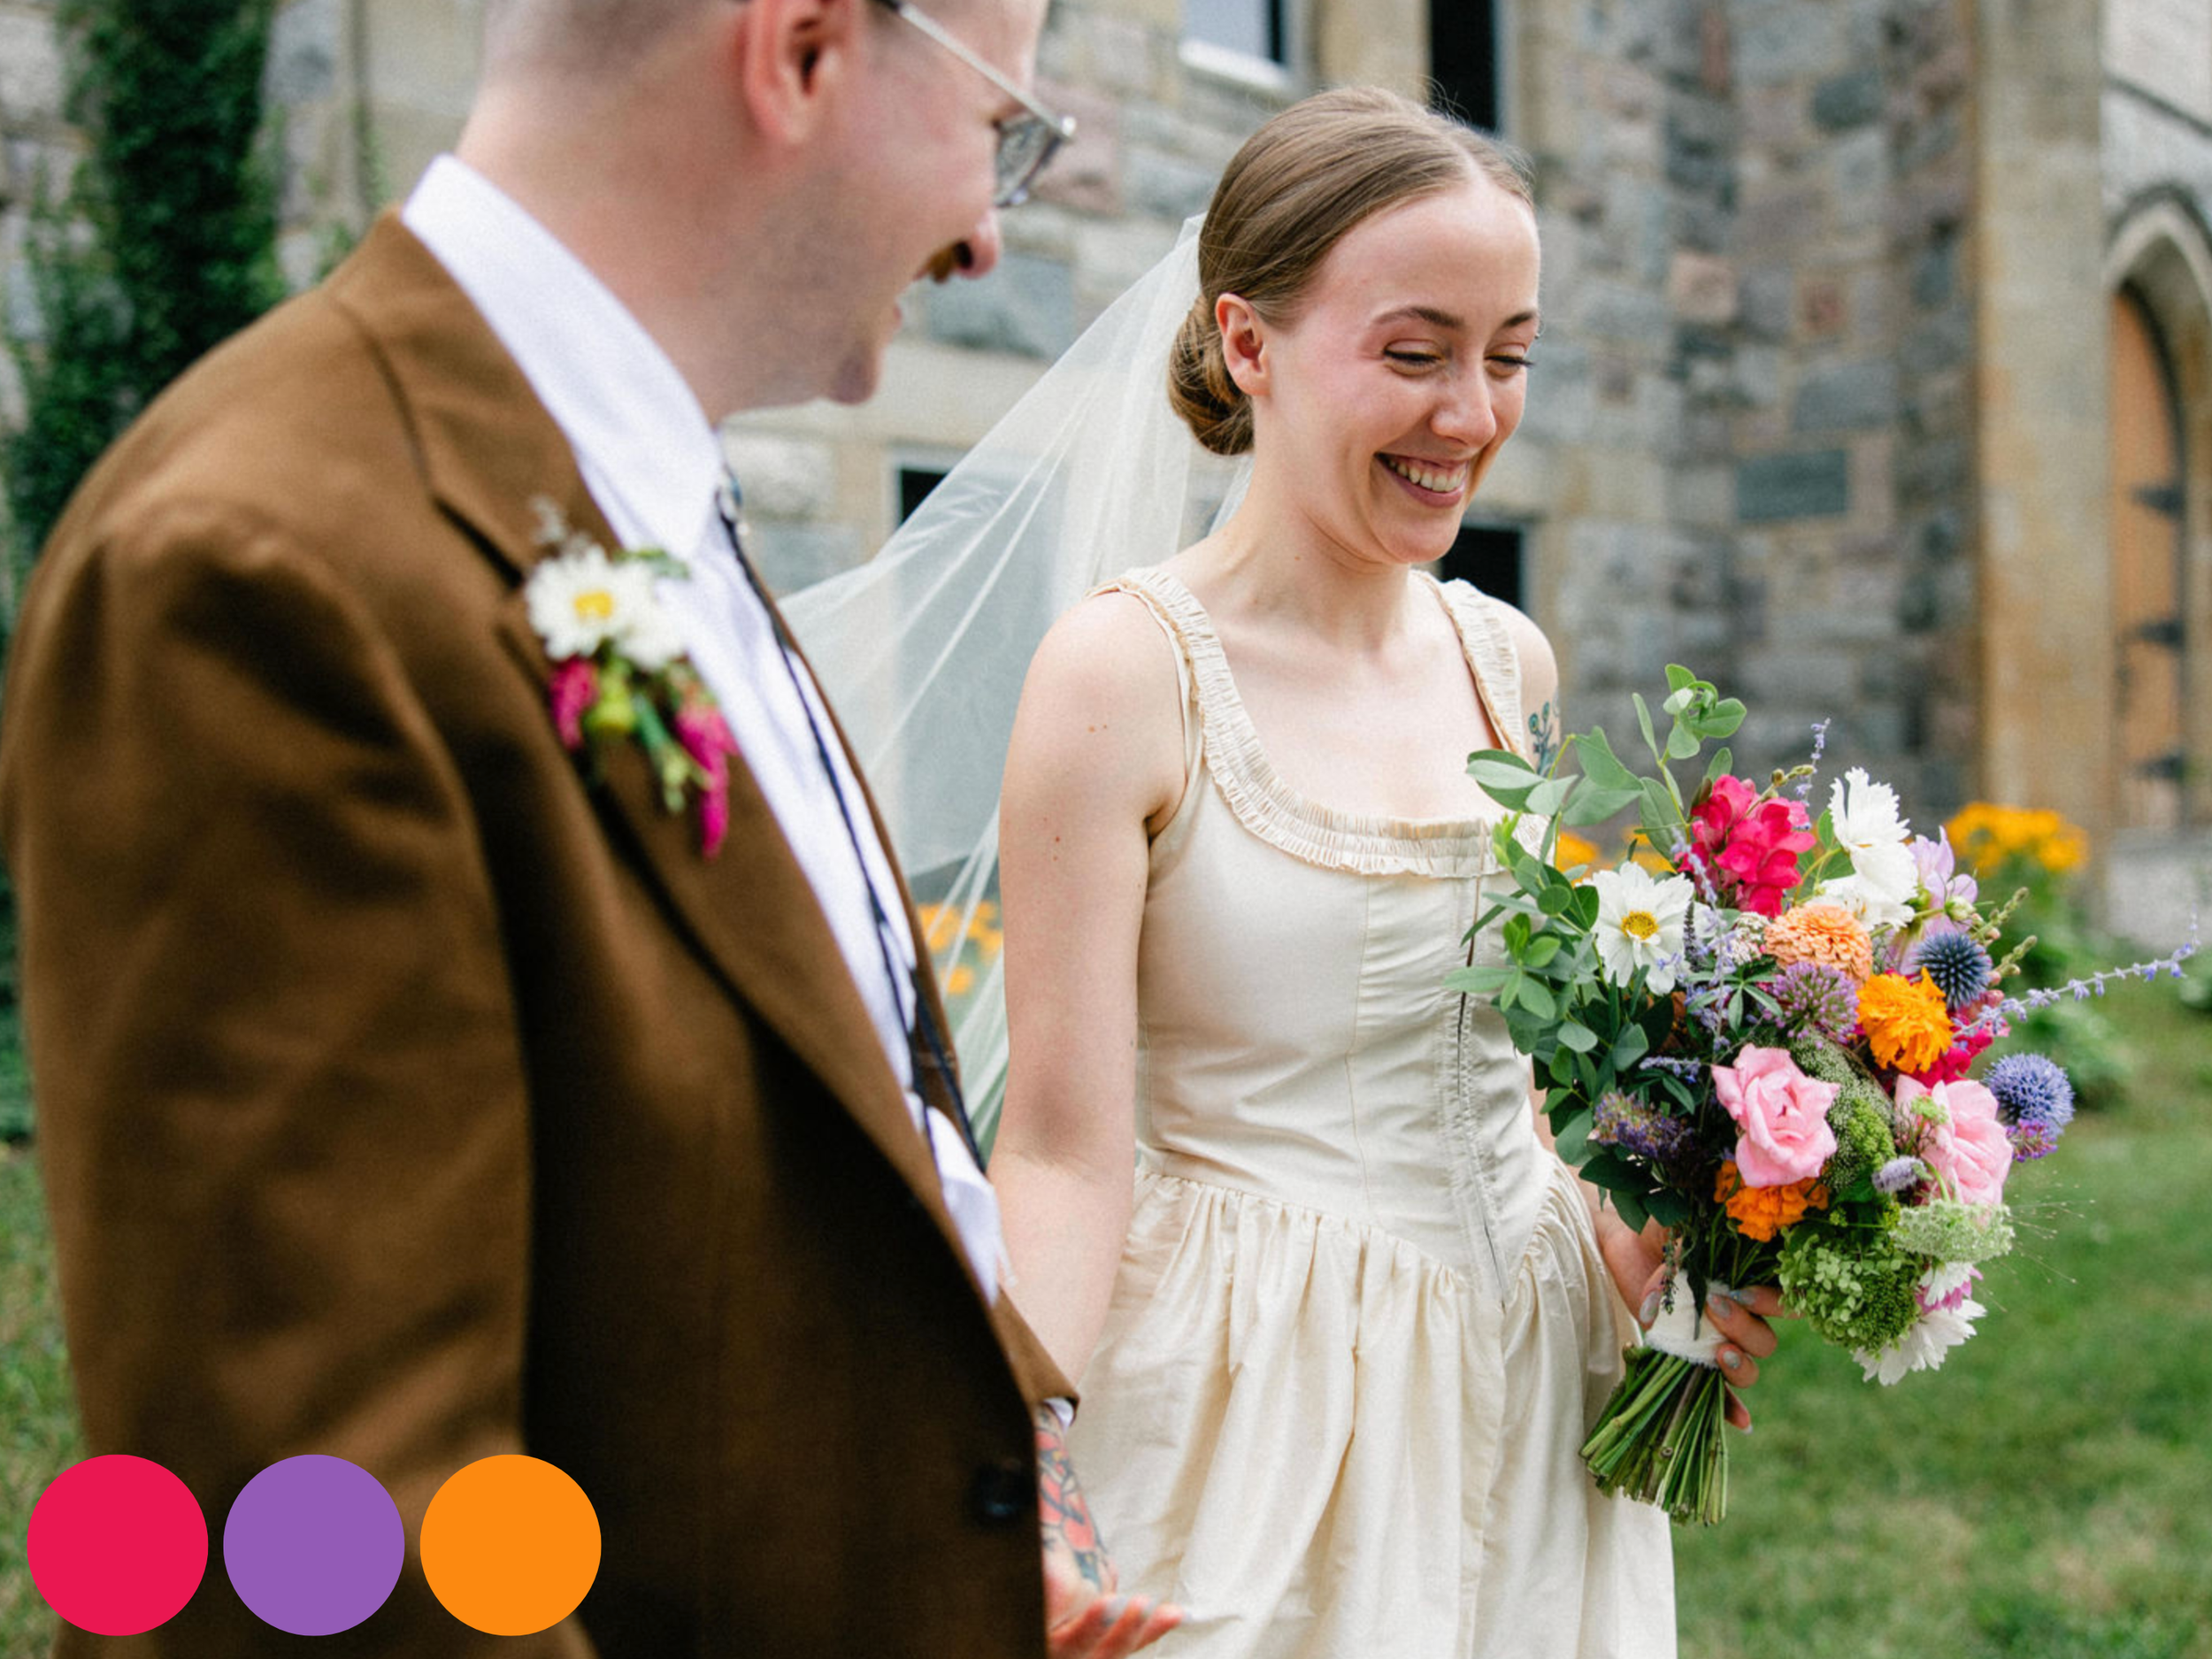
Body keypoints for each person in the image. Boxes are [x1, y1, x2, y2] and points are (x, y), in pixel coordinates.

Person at [0, 0, 1179, 1653]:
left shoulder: (630, 499)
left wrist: (929, 1545)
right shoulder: (262, 568)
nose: (993, 233)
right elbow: (328, 1540)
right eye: (1004, 131)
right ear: (804, 50)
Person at [983, 88, 1786, 1657]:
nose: (1472, 414)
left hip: (1540, 1393)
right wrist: (1019, 1471)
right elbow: (1068, 1151)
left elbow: (1515, 1091)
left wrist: (1673, 1249)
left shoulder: (1509, 664)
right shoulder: (1123, 675)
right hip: (1259, 1409)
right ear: (1249, 342)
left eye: (1510, 355)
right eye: (1415, 354)